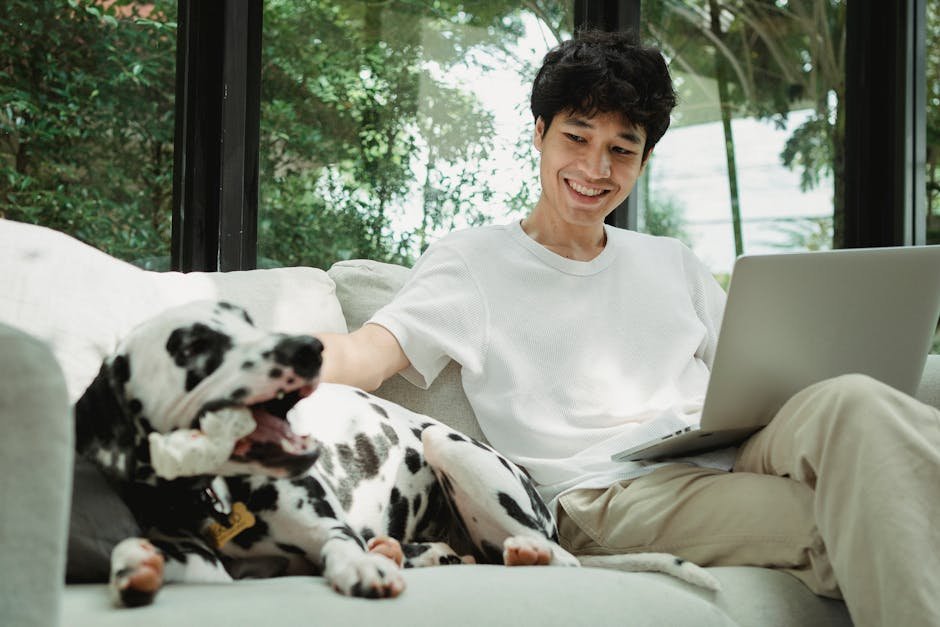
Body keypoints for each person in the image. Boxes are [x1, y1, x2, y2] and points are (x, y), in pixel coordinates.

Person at [316, 29, 940, 627]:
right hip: (603, 492)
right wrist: (257, 357)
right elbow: (366, 356)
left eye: (622, 148)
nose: (595, 167)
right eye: (577, 138)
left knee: (857, 397)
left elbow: (760, 382)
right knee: (869, 517)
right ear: (540, 133)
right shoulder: (471, 262)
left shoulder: (673, 262)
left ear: (644, 158)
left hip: (717, 449)